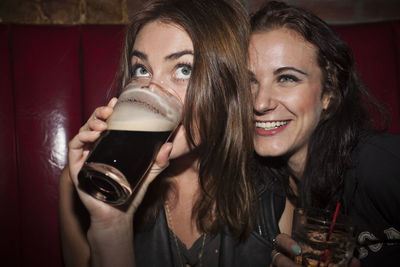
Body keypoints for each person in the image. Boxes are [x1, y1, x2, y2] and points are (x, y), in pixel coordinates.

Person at [59, 0, 277, 266]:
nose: (151, 90)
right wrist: (111, 224)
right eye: (142, 69)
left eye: (184, 69)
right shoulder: (80, 184)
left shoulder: (274, 192)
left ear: (229, 87)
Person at [248, 1, 400, 266]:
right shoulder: (258, 185)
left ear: (329, 94)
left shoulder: (379, 164)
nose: (260, 103)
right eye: (248, 81)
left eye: (287, 78)